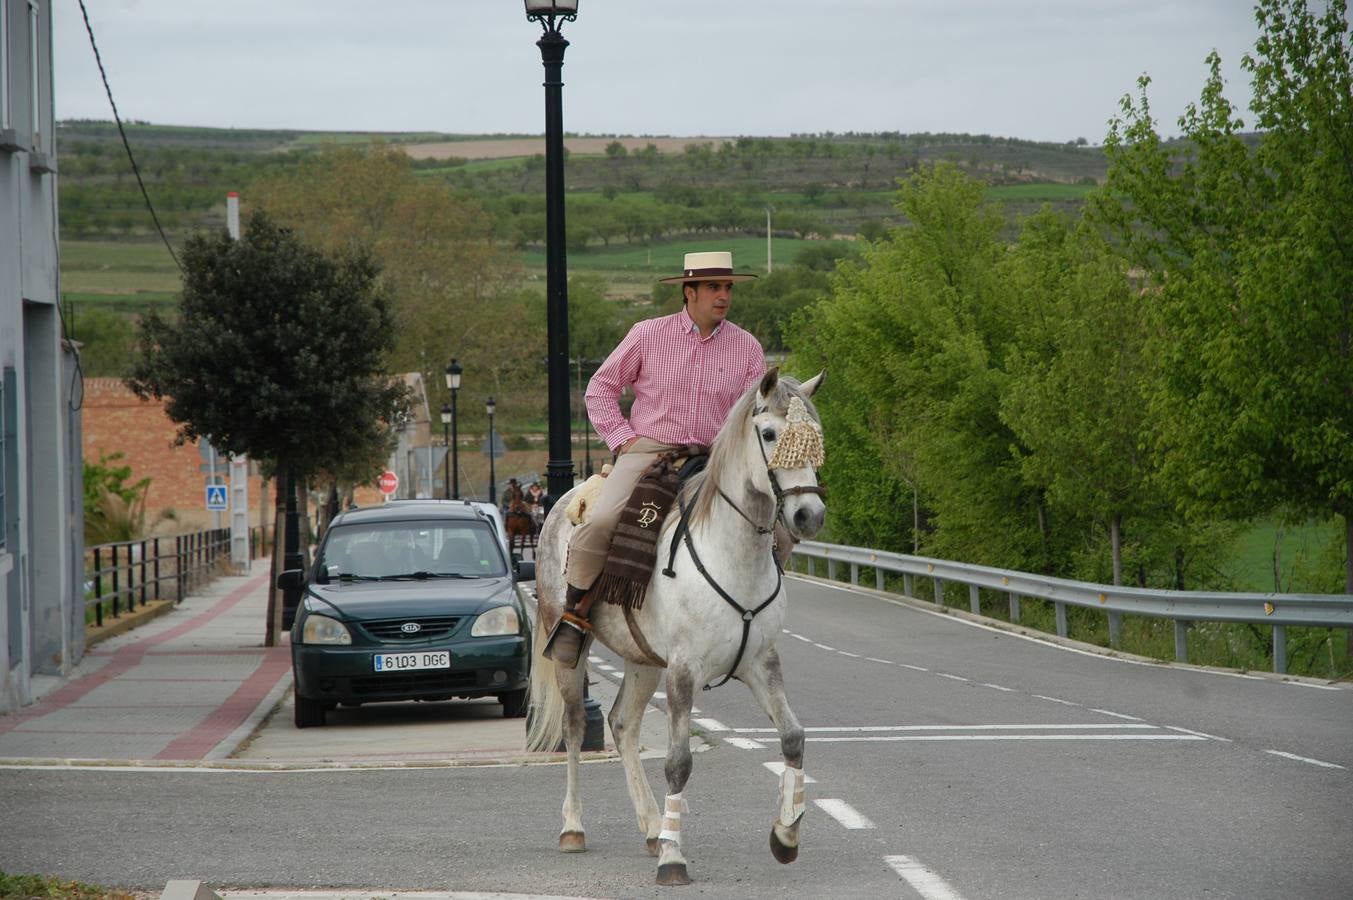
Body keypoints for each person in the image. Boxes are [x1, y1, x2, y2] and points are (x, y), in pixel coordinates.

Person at [543, 250, 766, 667]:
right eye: (714, 287)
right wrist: (624, 440)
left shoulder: (747, 348)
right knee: (602, 522)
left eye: (728, 287)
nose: (723, 295)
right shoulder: (648, 334)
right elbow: (601, 387)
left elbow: (756, 413)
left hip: (715, 457)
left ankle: (756, 612)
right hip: (648, 451)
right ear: (689, 291)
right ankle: (575, 614)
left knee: (763, 518)